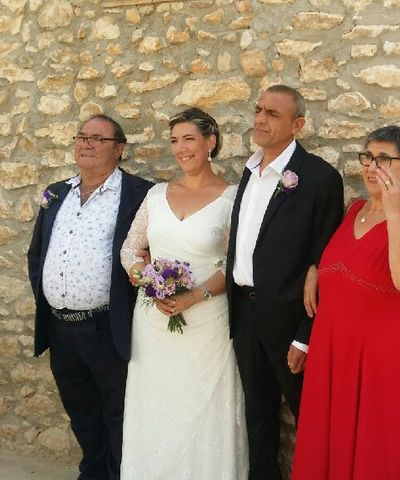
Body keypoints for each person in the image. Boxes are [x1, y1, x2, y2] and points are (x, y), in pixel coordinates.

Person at [292, 126, 400, 479]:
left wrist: (391, 211)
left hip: (381, 357)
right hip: (334, 351)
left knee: (377, 448)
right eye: (368, 157)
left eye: (384, 159)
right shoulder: (353, 210)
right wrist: (315, 269)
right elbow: (338, 265)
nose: (373, 166)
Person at [119, 107, 248, 479]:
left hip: (207, 324)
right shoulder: (157, 194)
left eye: (188, 139)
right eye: (174, 140)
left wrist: (195, 296)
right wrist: (145, 277)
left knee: (203, 409)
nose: (180, 148)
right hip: (153, 323)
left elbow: (235, 263)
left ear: (211, 142)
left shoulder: (232, 198)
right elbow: (131, 247)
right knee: (156, 406)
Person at [226, 85, 344, 479]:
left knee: (311, 420)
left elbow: (324, 263)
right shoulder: (249, 170)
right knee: (258, 417)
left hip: (291, 320)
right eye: (258, 110)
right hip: (245, 313)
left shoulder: (319, 178)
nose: (260, 119)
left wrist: (306, 335)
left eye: (273, 114)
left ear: (297, 125)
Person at [27, 114, 154, 480]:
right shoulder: (57, 193)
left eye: (97, 139)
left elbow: (149, 253)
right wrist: (48, 294)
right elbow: (38, 254)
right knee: (80, 408)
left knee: (118, 410)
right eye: (81, 136)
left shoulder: (138, 194)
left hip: (106, 327)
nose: (86, 143)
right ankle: (93, 472)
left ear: (119, 149)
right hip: (61, 327)